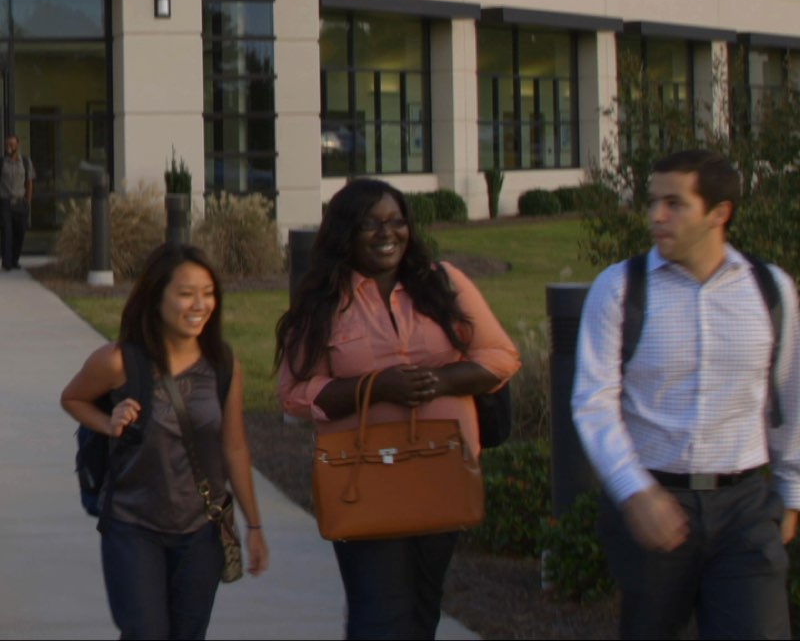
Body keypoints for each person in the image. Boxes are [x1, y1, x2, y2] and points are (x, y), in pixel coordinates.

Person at [276, 177, 520, 641]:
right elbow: (294, 392)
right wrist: (377, 387)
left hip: (441, 472)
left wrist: (439, 380)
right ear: (345, 233)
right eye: (371, 223)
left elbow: (501, 357)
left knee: (420, 614)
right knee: (377, 617)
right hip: (361, 478)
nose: (387, 233)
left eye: (396, 221)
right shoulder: (324, 301)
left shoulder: (442, 282)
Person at [572, 149, 800, 640]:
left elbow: (789, 400)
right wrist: (635, 493)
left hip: (744, 508)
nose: (656, 215)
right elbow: (593, 404)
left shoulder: (770, 289)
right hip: (653, 499)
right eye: (653, 201)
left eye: (674, 203)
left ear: (719, 213)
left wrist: (792, 494)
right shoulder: (619, 289)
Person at [61, 243, 268, 640]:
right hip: (132, 526)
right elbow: (72, 398)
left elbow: (235, 447)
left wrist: (254, 525)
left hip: (200, 532)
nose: (200, 304)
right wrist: (108, 422)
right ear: (156, 297)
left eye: (208, 293)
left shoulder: (223, 365)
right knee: (146, 632)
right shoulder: (118, 361)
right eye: (186, 293)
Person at [0, 133, 35, 270]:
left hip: (21, 202)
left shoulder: (26, 161)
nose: (9, 147)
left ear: (17, 145)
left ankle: (15, 260)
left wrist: (28, 201)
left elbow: (29, 182)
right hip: (5, 202)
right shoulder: (2, 162)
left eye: (12, 144)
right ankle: (7, 263)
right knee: (7, 233)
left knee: (20, 233)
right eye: (7, 144)